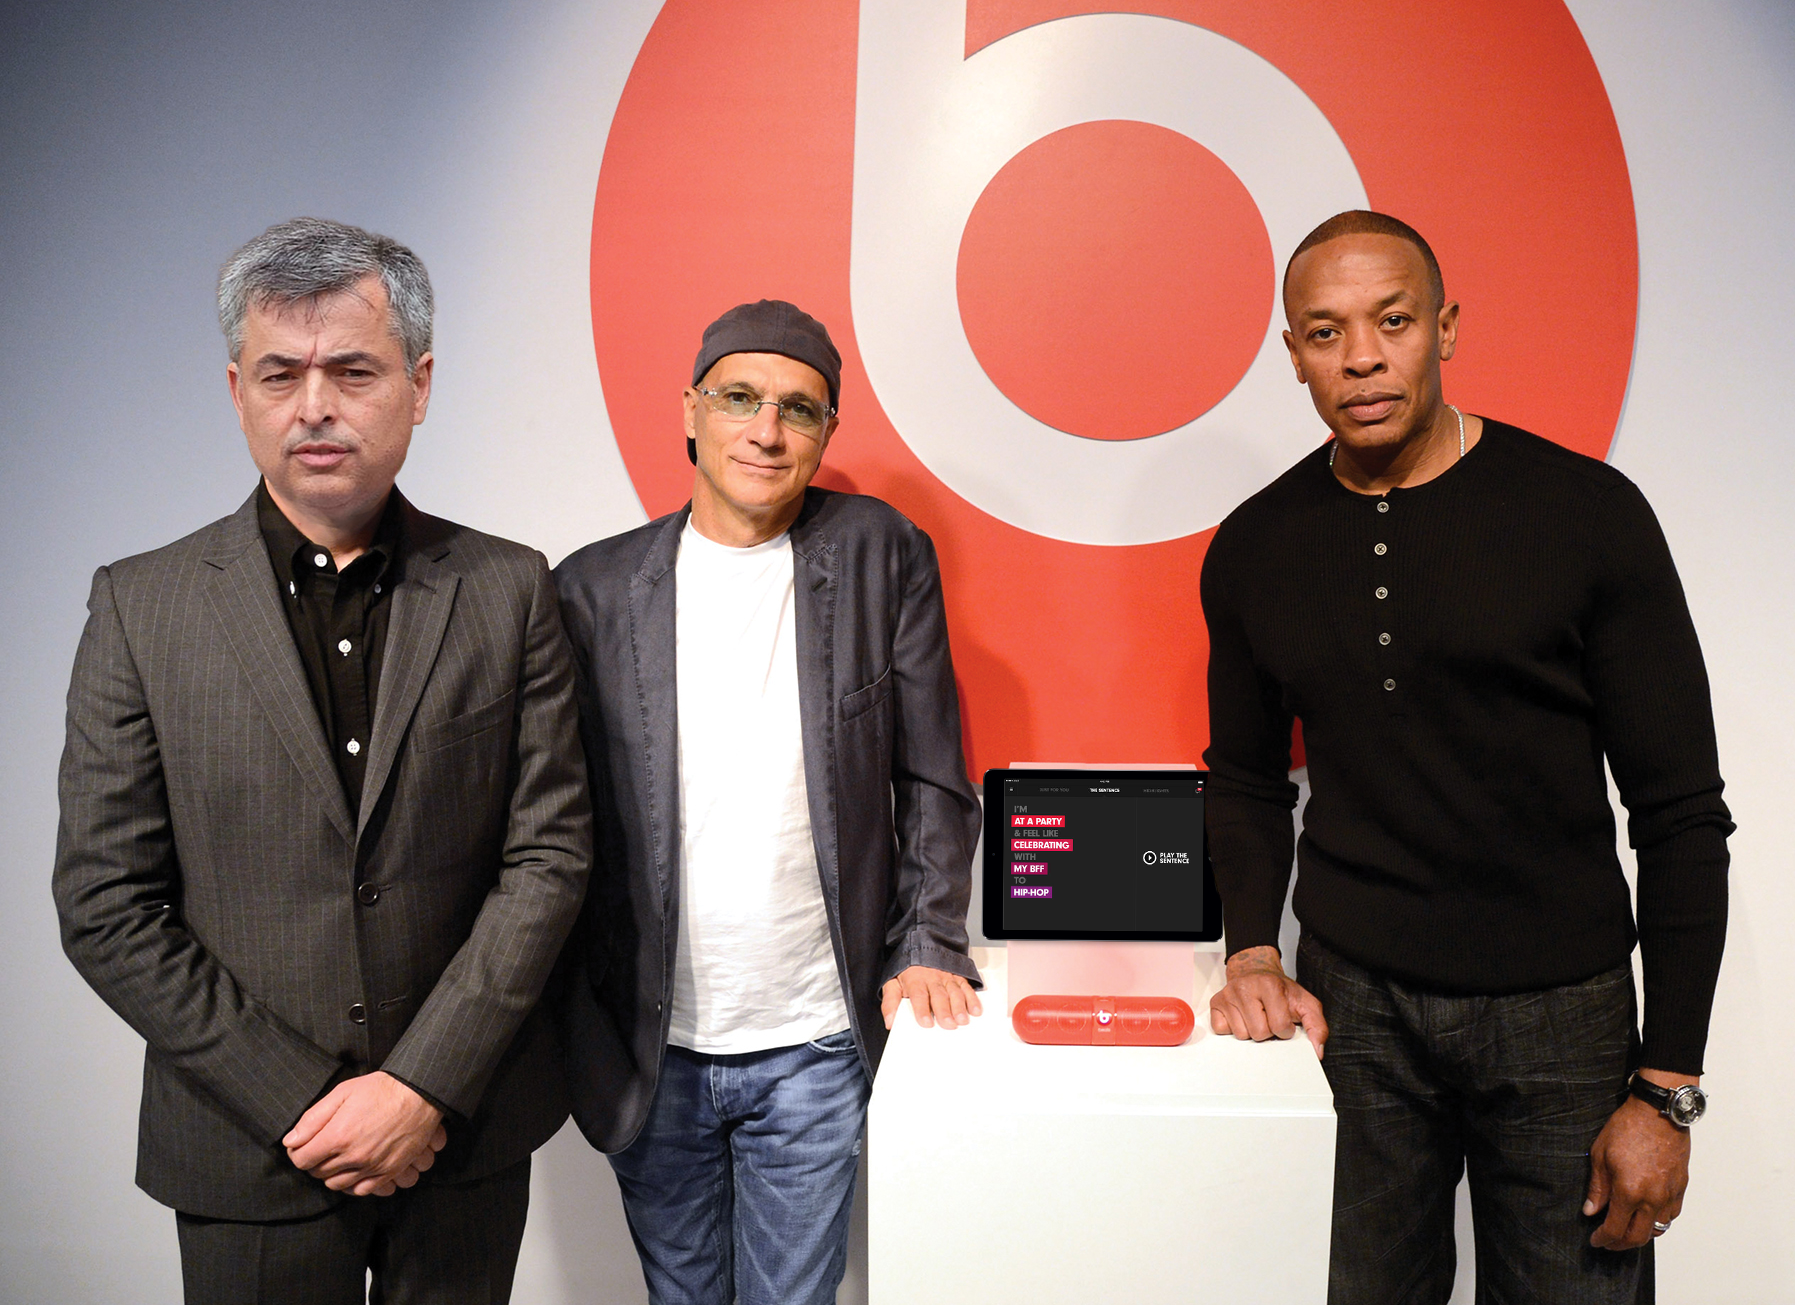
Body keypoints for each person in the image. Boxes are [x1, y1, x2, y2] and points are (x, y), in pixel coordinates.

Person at [53, 217, 592, 1304]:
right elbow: (106, 903)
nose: (314, 406)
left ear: (418, 384)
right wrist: (305, 1100)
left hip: (459, 1136)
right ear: (236, 390)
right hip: (247, 1148)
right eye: (279, 374)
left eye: (353, 370)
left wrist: (419, 1085)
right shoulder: (141, 606)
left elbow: (548, 859)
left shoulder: (507, 589)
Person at [1202, 210, 1730, 1303]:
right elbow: (1247, 779)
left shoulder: (1585, 513)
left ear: (1444, 328)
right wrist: (1252, 949)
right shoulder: (1254, 544)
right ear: (1292, 353)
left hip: (1563, 1017)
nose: (1360, 357)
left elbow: (1680, 813)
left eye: (1392, 321)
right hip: (1353, 1011)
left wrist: (1666, 1086)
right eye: (1325, 332)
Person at [555, 299, 983, 1305]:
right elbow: (550, 825)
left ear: (826, 432)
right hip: (650, 1045)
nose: (766, 430)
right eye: (739, 398)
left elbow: (932, 775)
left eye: (798, 408)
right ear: (690, 411)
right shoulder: (591, 589)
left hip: (816, 1038)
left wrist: (928, 937)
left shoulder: (882, 554)